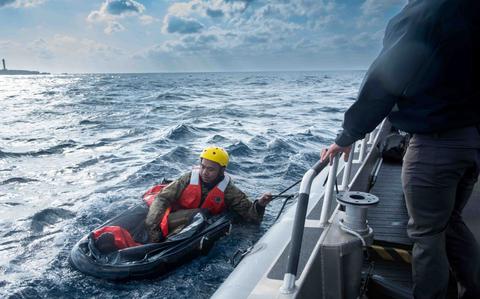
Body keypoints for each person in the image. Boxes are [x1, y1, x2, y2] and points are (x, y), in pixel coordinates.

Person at [321, 1, 480, 298]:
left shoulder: (423, 13)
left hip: (435, 144)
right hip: (471, 140)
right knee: (450, 222)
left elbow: (384, 79)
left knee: (427, 234)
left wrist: (348, 135)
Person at [145, 146, 272, 243]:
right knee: (198, 215)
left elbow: (251, 216)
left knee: (201, 216)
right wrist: (153, 228)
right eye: (203, 166)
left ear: (222, 170)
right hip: (173, 217)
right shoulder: (188, 178)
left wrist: (260, 204)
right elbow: (162, 198)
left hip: (197, 223)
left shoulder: (228, 190)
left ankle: (170, 242)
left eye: (211, 169)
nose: (205, 172)